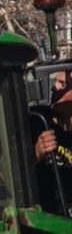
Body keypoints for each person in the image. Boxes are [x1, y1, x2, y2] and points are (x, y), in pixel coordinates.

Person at [32, 69, 72, 216]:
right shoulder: (34, 120)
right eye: (55, 81)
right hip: (42, 218)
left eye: (63, 84)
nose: (53, 87)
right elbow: (4, 173)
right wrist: (35, 153)